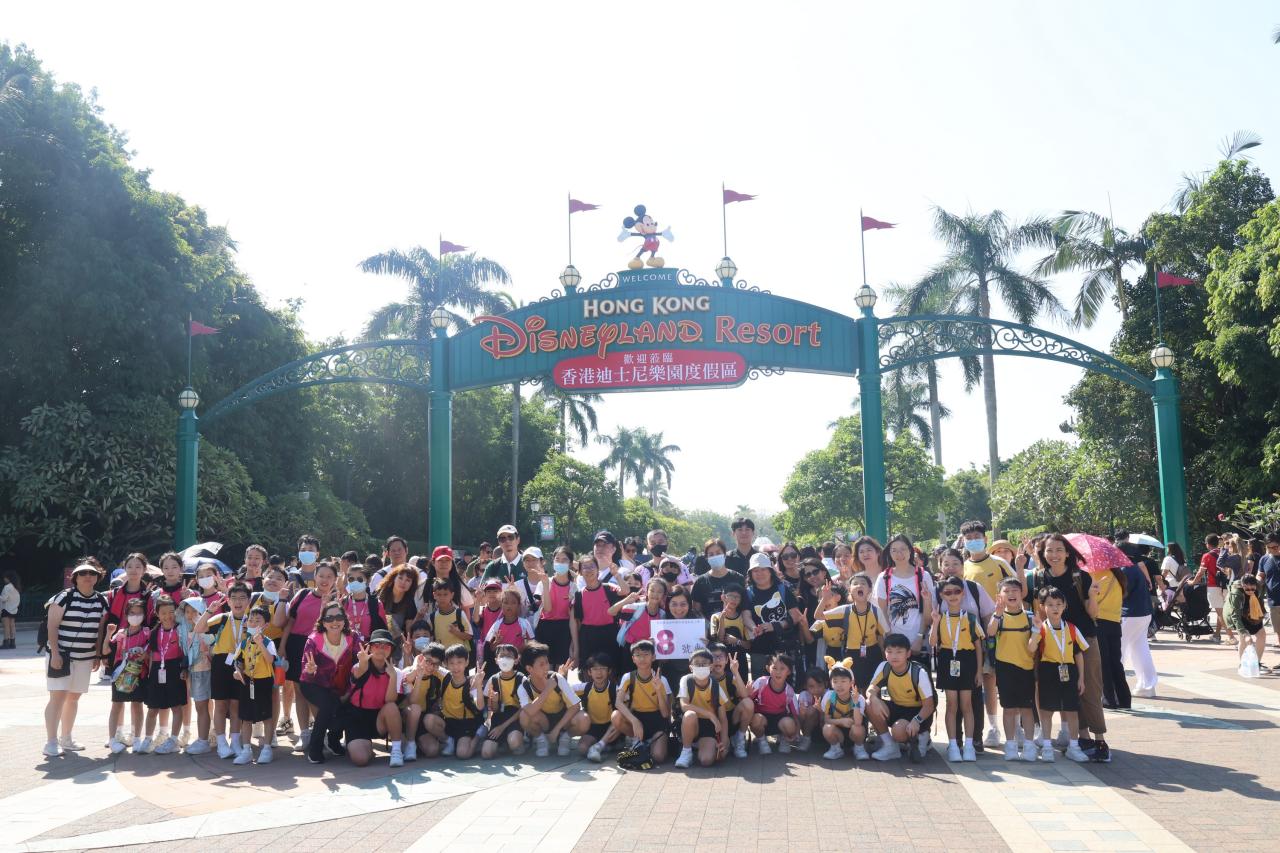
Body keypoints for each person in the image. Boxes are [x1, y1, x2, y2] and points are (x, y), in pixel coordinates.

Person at [1032, 534, 1109, 763]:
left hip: (1083, 638)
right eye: (1049, 550)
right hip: (1055, 643)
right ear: (1042, 554)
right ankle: (1082, 738)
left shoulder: (1080, 576)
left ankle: (1100, 740)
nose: (1054, 555)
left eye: (1059, 550)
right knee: (1071, 690)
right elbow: (1039, 611)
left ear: (1067, 553)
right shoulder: (1039, 577)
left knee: (1091, 688)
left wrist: (1092, 596)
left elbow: (1092, 613)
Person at [959, 520, 1020, 750]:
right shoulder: (963, 567)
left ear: (985, 539)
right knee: (988, 680)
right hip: (980, 633)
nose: (973, 541)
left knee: (1010, 677)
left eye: (977, 537)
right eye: (969, 538)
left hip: (1007, 629)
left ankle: (1016, 727)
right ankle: (993, 728)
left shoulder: (999, 563)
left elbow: (1018, 589)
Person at [43, 563, 108, 756]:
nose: (88, 576)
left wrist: (97, 655)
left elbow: (100, 630)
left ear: (97, 577)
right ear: (75, 577)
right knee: (58, 697)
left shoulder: (101, 600)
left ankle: (66, 738)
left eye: (92, 573)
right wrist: (55, 654)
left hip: (85, 657)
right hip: (62, 655)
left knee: (73, 697)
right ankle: (51, 742)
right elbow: (52, 626)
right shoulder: (64, 597)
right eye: (83, 573)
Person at [277, 560, 340, 750]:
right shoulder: (303, 594)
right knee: (300, 692)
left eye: (329, 576)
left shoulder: (337, 601)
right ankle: (304, 734)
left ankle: (322, 734)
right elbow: (290, 622)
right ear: (315, 576)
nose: (324, 580)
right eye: (321, 575)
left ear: (335, 579)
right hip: (297, 645)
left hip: (321, 648)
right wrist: (283, 646)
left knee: (317, 693)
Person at [1032, 587, 1091, 762]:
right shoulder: (1041, 629)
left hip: (1069, 671)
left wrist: (1081, 678)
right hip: (1048, 671)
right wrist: (1035, 631)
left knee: (1072, 710)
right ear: (1043, 607)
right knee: (1046, 710)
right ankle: (1047, 746)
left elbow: (1079, 653)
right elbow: (1031, 649)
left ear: (1065, 605)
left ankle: (1074, 746)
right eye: (1050, 604)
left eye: (1059, 604)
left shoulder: (1072, 628)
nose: (1055, 608)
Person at [195, 581, 253, 759]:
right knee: (220, 704)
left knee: (236, 705)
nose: (238, 602)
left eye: (242, 598)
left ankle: (235, 741)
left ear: (249, 600)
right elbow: (199, 629)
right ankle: (221, 744)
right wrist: (210, 610)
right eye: (234, 598)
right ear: (228, 600)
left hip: (242, 663)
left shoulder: (252, 620)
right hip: (222, 663)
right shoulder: (221, 618)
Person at [931, 576, 984, 762]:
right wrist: (935, 622)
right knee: (951, 704)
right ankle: (953, 745)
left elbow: (978, 646)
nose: (952, 595)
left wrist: (979, 671)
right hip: (948, 659)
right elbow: (933, 642)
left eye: (957, 591)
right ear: (942, 595)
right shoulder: (940, 618)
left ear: (963, 594)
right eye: (948, 592)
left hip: (967, 660)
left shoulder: (970, 618)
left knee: (967, 705)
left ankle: (969, 745)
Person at [298, 602, 357, 764]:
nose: (334, 621)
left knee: (347, 708)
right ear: (323, 622)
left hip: (342, 685)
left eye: (339, 617)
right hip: (313, 684)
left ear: (345, 620)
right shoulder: (313, 640)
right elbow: (306, 671)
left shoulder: (353, 637)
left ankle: (333, 741)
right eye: (329, 618)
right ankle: (315, 749)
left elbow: (359, 664)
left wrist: (350, 689)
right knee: (328, 705)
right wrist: (310, 670)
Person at [864, 633, 935, 763]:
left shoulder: (919, 672)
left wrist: (916, 721)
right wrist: (874, 698)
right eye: (889, 651)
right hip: (897, 707)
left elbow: (929, 705)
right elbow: (870, 689)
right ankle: (890, 746)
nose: (894, 656)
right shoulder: (884, 666)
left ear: (908, 653)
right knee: (868, 704)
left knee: (898, 732)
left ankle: (922, 736)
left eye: (899, 652)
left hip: (918, 712)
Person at [988, 578, 1037, 761]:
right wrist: (997, 614)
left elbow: (1035, 642)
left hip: (1026, 668)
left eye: (1015, 590)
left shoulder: (1030, 617)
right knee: (1008, 708)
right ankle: (1010, 745)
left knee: (1027, 709)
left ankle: (1029, 746)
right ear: (999, 595)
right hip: (1005, 668)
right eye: (1006, 591)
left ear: (1021, 593)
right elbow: (990, 632)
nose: (1011, 594)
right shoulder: (998, 616)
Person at [342, 629, 406, 767]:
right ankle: (366, 748)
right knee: (360, 759)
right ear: (370, 648)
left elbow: (390, 701)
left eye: (386, 646)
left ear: (391, 650)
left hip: (379, 719)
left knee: (391, 707)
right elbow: (359, 671)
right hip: (357, 718)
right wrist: (363, 662)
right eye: (377, 645)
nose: (381, 649)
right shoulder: (359, 666)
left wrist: (393, 677)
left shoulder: (396, 672)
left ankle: (396, 751)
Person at [874, 534, 936, 674]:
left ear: (910, 550)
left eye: (903, 549)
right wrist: (890, 638)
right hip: (894, 644)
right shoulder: (884, 577)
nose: (899, 554)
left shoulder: (923, 575)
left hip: (918, 642)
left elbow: (928, 612)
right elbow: (882, 611)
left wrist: (919, 637)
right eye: (894, 550)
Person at [230, 606, 279, 765]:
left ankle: (267, 749)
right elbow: (238, 662)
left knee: (266, 716)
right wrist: (237, 671)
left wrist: (261, 644)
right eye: (251, 620)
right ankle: (246, 750)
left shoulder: (268, 642)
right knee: (246, 717)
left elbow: (270, 660)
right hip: (247, 681)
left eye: (258, 621)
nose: (253, 623)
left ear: (265, 625)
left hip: (263, 682)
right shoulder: (244, 643)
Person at [517, 642, 585, 757]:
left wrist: (557, 729)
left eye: (547, 662)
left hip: (563, 719)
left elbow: (576, 706)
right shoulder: (524, 687)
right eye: (541, 664)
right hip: (544, 721)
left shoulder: (557, 678)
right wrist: (548, 689)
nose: (546, 667)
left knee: (584, 719)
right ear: (529, 668)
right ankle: (541, 739)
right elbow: (530, 711)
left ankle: (564, 738)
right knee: (524, 716)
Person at [823, 573, 889, 691]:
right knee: (854, 689)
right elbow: (818, 616)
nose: (859, 586)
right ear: (850, 590)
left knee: (874, 688)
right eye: (855, 584)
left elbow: (882, 636)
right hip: (851, 655)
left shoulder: (876, 611)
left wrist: (886, 659)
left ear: (870, 589)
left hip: (873, 652)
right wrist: (824, 599)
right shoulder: (844, 610)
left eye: (863, 583)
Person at [139, 595, 187, 755]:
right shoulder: (154, 632)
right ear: (157, 614)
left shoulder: (180, 629)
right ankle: (148, 739)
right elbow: (151, 654)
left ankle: (173, 740)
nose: (168, 616)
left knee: (176, 706)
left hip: (175, 669)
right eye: (164, 613)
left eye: (171, 612)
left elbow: (186, 651)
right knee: (153, 708)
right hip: (157, 672)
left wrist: (184, 669)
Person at [745, 553, 803, 683]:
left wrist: (776, 626)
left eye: (763, 569)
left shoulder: (783, 588)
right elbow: (746, 615)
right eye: (755, 570)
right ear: (751, 573)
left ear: (770, 571)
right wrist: (754, 628)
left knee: (787, 686)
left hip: (784, 648)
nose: (759, 573)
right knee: (759, 687)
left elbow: (796, 615)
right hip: (759, 649)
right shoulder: (748, 592)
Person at [613, 639, 672, 763]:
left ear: (653, 657)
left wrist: (658, 690)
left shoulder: (662, 679)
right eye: (638, 655)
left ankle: (648, 744)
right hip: (638, 717)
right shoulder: (628, 677)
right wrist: (634, 720)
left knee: (658, 757)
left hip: (657, 720)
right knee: (616, 716)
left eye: (646, 654)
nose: (642, 658)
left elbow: (665, 714)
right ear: (633, 659)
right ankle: (636, 739)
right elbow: (618, 702)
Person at [106, 597, 150, 752]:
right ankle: (112, 740)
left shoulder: (147, 633)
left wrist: (145, 656)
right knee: (116, 705)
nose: (135, 616)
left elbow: (151, 653)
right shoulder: (120, 634)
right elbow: (106, 650)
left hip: (139, 674)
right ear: (126, 615)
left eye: (139, 613)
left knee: (137, 705)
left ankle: (137, 738)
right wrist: (108, 634)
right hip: (120, 674)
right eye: (132, 613)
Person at [674, 648, 729, 768]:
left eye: (704, 663)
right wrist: (710, 714)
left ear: (711, 666)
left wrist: (724, 741)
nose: (700, 666)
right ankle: (686, 751)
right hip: (691, 723)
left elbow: (723, 718)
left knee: (706, 760)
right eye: (697, 664)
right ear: (691, 667)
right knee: (690, 714)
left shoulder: (715, 686)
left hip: (708, 726)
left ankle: (701, 745)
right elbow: (684, 706)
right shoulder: (686, 680)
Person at [574, 555, 622, 673]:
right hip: (588, 636)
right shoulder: (579, 594)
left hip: (609, 633)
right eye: (585, 567)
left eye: (592, 566)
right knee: (589, 671)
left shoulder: (609, 588)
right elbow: (578, 622)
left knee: (611, 669)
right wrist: (575, 647)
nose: (589, 570)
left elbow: (625, 590)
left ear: (597, 569)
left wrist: (616, 575)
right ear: (580, 572)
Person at [531, 547, 576, 667]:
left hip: (564, 630)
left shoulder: (574, 587)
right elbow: (547, 609)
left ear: (570, 564)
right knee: (545, 668)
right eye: (557, 559)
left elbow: (573, 616)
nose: (560, 562)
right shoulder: (544, 582)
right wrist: (546, 585)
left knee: (562, 668)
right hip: (545, 628)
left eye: (564, 560)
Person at [439, 643, 486, 759]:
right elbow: (429, 665)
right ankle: (449, 741)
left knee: (463, 754)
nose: (455, 667)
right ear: (446, 664)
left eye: (459, 662)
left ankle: (479, 734)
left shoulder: (471, 683)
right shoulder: (445, 677)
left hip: (466, 723)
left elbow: (480, 706)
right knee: (429, 720)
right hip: (448, 722)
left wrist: (478, 685)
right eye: (452, 663)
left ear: (466, 662)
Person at [748, 652, 801, 754]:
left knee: (789, 724)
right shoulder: (761, 682)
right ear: (768, 669)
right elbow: (747, 703)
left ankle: (784, 739)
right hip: (762, 720)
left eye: (782, 668)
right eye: (775, 668)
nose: (778, 672)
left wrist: (796, 733)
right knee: (756, 719)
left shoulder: (789, 691)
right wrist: (747, 694)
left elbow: (795, 716)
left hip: (780, 721)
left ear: (789, 671)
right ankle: (762, 740)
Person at [481, 643, 527, 758]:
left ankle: (523, 738)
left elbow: (524, 708)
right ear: (496, 660)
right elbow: (492, 709)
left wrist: (502, 727)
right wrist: (494, 701)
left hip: (516, 716)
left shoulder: (521, 679)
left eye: (509, 656)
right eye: (502, 656)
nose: (505, 659)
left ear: (516, 660)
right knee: (486, 753)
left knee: (514, 743)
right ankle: (503, 741)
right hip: (499, 716)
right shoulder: (493, 679)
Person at [1120, 555, 1156, 698]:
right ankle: (1147, 686)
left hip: (1129, 614)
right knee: (1140, 650)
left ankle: (1115, 688)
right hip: (1143, 613)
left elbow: (1122, 593)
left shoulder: (1125, 570)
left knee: (1118, 651)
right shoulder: (1134, 568)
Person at [1094, 566, 1130, 710]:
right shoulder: (1118, 576)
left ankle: (1109, 699)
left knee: (1104, 663)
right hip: (1115, 623)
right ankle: (1124, 699)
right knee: (1115, 662)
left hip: (1099, 622)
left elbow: (1092, 599)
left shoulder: (1096, 575)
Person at [819, 657, 867, 760]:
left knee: (857, 728)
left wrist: (855, 702)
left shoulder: (859, 698)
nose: (839, 685)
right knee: (827, 728)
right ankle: (836, 749)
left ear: (851, 682)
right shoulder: (829, 696)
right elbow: (826, 720)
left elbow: (858, 722)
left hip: (854, 734)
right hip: (838, 733)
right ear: (831, 683)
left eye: (843, 681)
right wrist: (841, 721)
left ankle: (859, 748)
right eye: (835, 681)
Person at [579, 653, 621, 762]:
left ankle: (599, 746)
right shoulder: (585, 688)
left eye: (603, 668)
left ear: (609, 671)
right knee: (582, 749)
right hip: (593, 727)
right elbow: (564, 689)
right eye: (595, 669)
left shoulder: (615, 689)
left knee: (619, 715)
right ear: (589, 672)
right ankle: (602, 747)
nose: (599, 672)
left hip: (611, 727)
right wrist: (561, 675)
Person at [1224, 574, 1268, 672]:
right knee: (1244, 639)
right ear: (1242, 585)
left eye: (1253, 589)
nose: (1250, 591)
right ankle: (1242, 664)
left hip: (1254, 612)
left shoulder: (1259, 587)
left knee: (1262, 635)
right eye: (1247, 589)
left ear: (1256, 585)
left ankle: (1257, 664)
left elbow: (1261, 599)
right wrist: (1244, 634)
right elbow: (1235, 616)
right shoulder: (1236, 593)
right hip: (1239, 615)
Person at [689, 538, 743, 619]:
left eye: (718, 553)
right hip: (709, 625)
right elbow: (696, 610)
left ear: (724, 555)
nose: (715, 556)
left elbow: (744, 607)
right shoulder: (700, 582)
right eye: (711, 554)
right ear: (706, 558)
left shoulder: (738, 578)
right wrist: (707, 624)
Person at [1197, 534, 1232, 643]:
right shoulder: (1226, 553)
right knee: (1221, 611)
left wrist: (1193, 582)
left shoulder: (1207, 555)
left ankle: (1231, 637)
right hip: (1226, 585)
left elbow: (1201, 572)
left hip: (1213, 586)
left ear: (1207, 544)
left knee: (1220, 613)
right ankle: (1216, 635)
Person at [1262, 533, 1280, 653]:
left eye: (1275, 547)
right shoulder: (1264, 559)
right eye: (1269, 547)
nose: (1272, 550)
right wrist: (1255, 581)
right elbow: (1261, 575)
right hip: (1273, 597)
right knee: (1277, 624)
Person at [0, 569, 20, 649]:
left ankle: (6, 642)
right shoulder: (16, 587)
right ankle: (12, 643)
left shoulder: (7, 587)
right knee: (12, 626)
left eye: (5, 578)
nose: (4, 579)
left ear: (8, 578)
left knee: (6, 626)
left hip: (6, 609)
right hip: (13, 609)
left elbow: (4, 599)